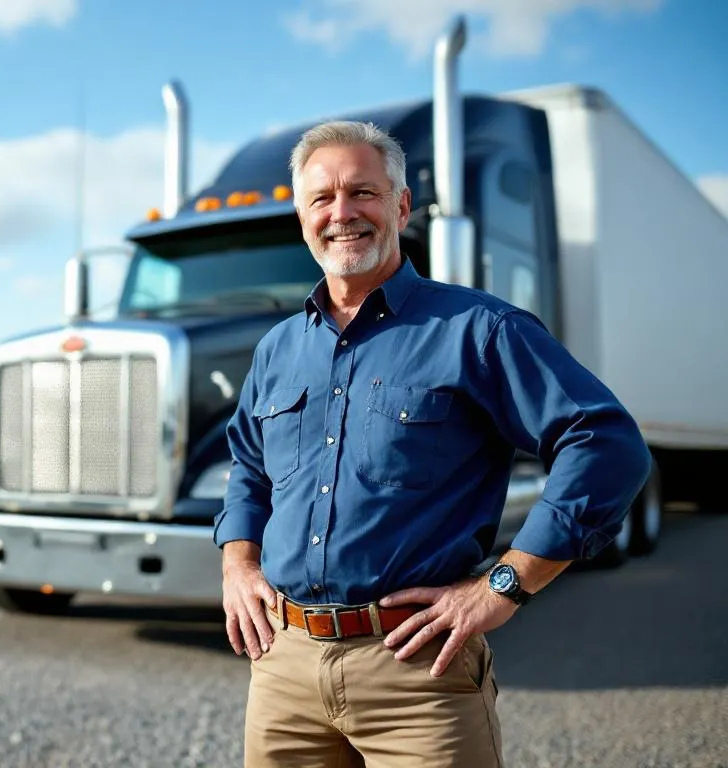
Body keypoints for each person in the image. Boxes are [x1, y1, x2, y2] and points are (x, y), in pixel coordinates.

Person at [213, 120, 652, 767]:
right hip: (283, 670)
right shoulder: (278, 348)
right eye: (322, 198)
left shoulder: (478, 329)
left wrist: (505, 583)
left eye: (362, 192)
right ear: (301, 216)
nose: (342, 214)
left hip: (417, 677)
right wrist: (237, 565)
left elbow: (605, 443)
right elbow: (251, 466)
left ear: (401, 206)